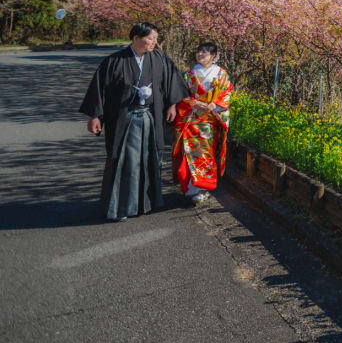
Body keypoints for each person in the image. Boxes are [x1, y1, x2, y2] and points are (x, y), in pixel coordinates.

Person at [80, 22, 189, 221]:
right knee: (124, 162)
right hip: (124, 118)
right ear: (136, 38)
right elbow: (100, 89)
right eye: (150, 38)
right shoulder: (114, 61)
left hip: (149, 117)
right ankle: (120, 207)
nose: (154, 42)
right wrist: (95, 116)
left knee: (149, 159)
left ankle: (144, 204)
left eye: (156, 39)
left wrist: (172, 105)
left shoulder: (159, 58)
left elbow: (171, 82)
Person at [172, 42, 233, 204]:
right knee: (188, 152)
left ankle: (203, 188)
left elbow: (227, 93)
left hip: (210, 120)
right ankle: (191, 188)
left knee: (205, 153)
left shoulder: (221, 74)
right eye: (198, 52)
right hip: (191, 119)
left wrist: (215, 104)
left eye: (204, 52)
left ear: (213, 56)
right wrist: (194, 103)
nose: (200, 55)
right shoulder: (188, 74)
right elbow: (181, 94)